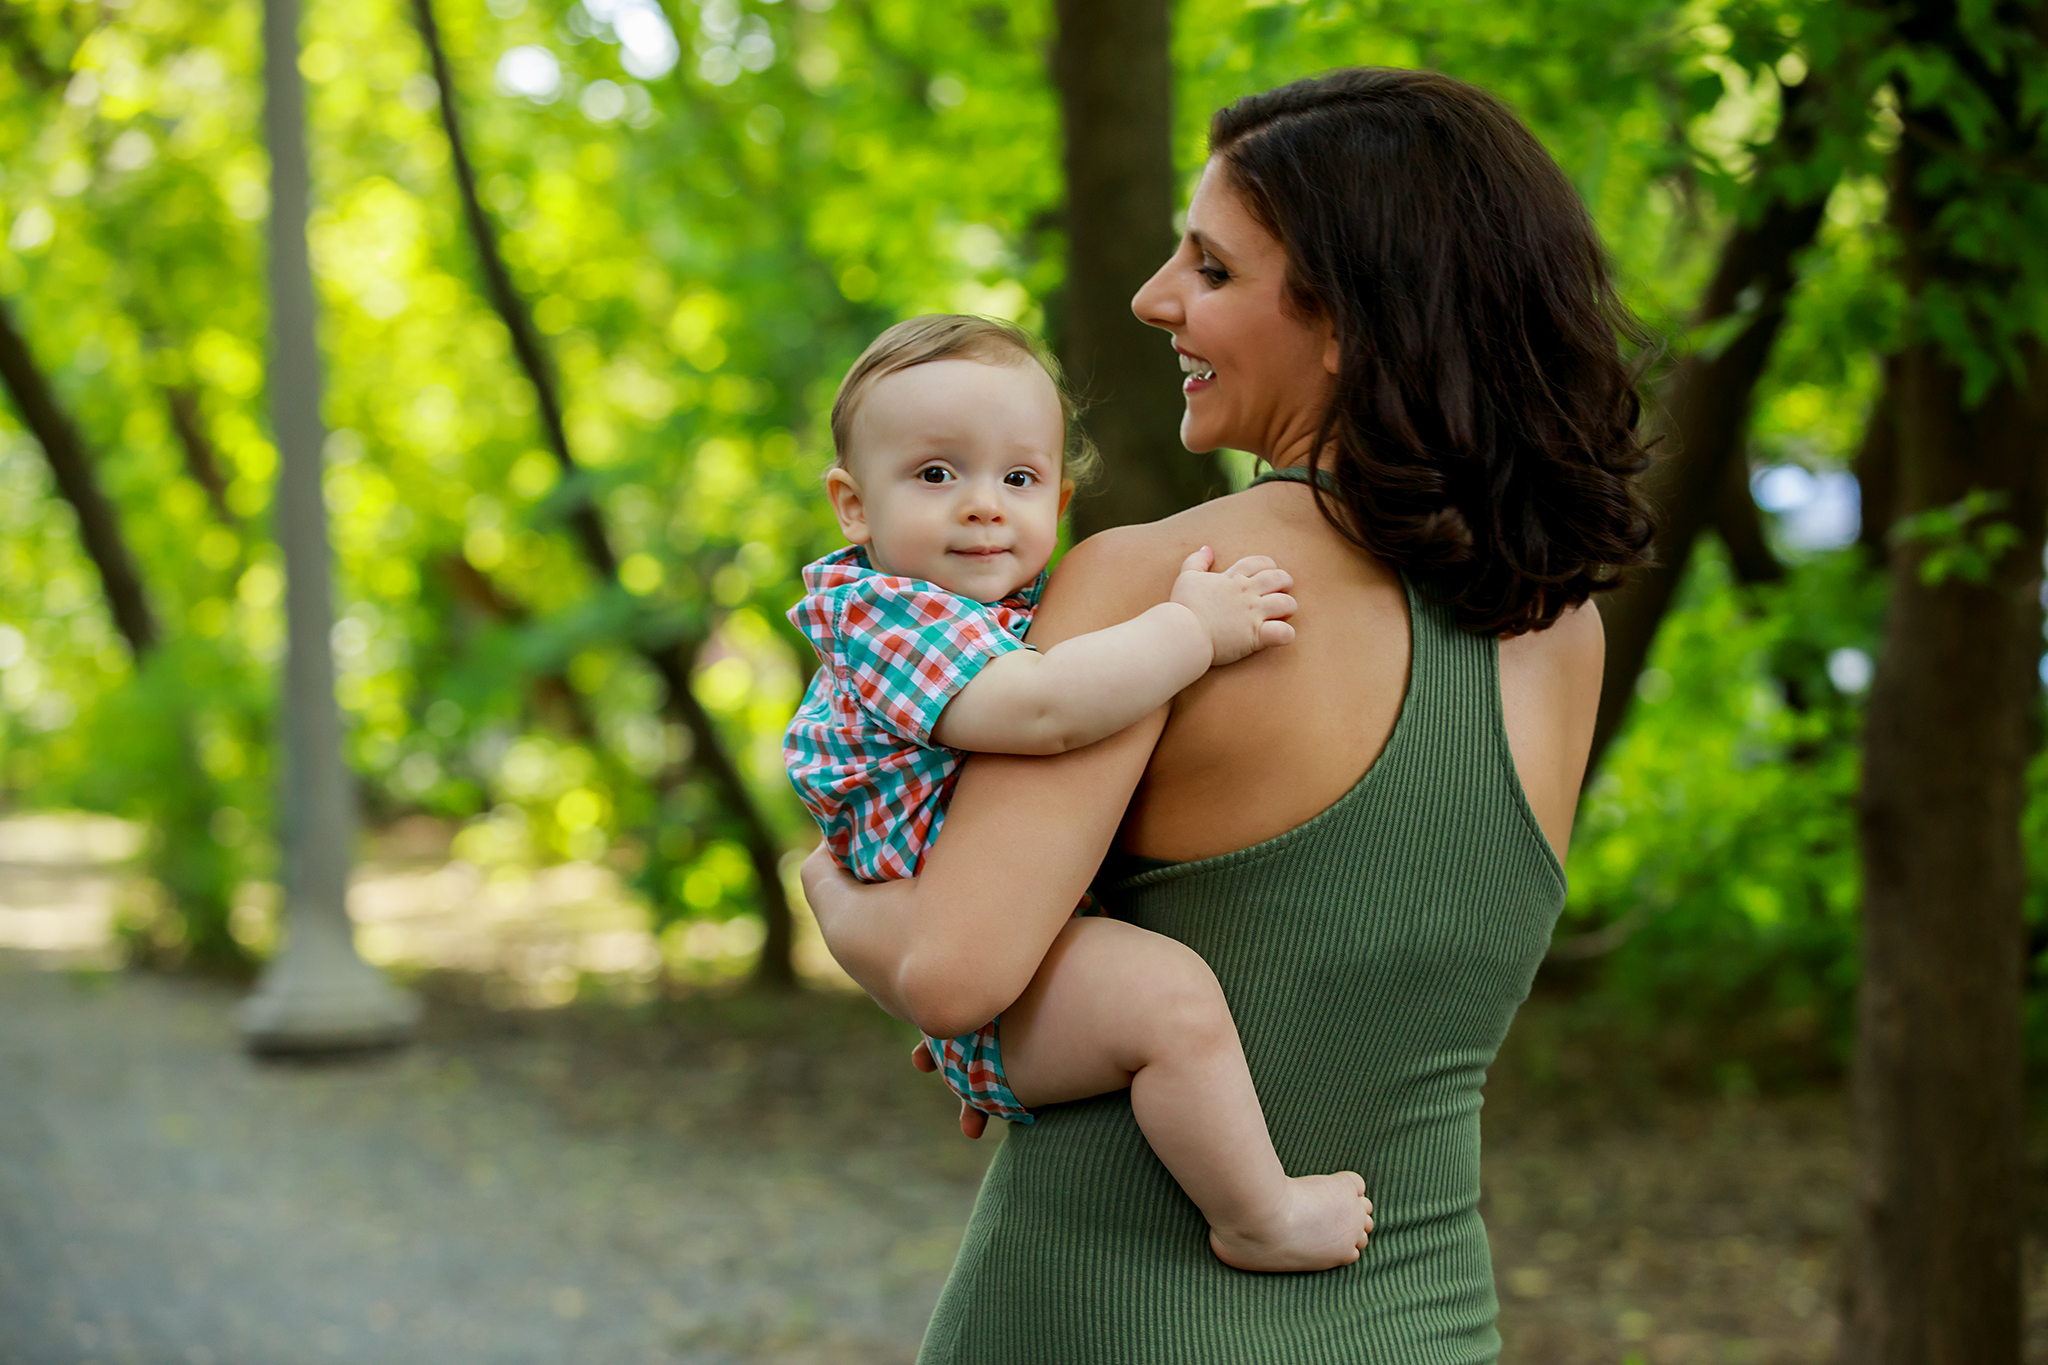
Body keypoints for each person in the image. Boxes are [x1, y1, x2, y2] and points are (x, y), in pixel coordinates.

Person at [802, 67, 1654, 1363]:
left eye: (1208, 267)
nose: (1154, 298)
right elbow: (1356, 988)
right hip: (1429, 1325)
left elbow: (953, 968)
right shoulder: (1557, 630)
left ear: (1350, 323)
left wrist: (835, 896)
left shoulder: (1160, 590)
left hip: (1116, 1319)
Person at [786, 313, 1374, 1271]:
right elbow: (1045, 708)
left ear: (1056, 499)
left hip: (999, 957)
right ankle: (1260, 1217)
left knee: (1156, 995)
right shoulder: (891, 619)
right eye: (937, 474)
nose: (983, 505)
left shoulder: (1004, 607)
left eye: (1016, 478)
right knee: (1169, 1001)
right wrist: (1193, 631)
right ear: (854, 506)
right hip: (977, 976)